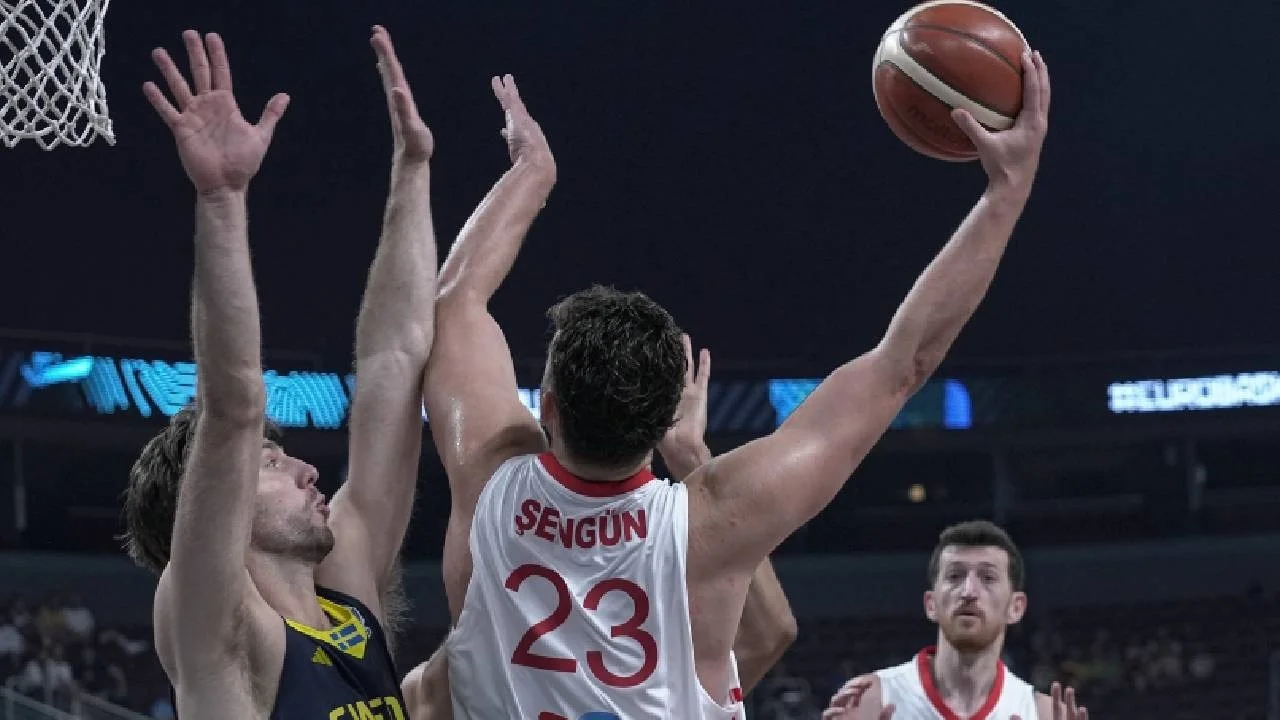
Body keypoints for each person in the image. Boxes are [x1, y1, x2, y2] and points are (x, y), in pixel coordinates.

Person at [426, 48, 1052, 718]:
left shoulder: (490, 479)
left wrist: (531, 173)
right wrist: (1006, 191)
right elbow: (904, 365)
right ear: (666, 419)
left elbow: (456, 301)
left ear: (546, 407)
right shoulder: (713, 520)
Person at [122, 26, 437, 719]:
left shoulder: (347, 599)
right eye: (271, 463)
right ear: (211, 501)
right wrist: (222, 200)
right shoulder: (221, 632)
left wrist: (413, 172)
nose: (307, 470)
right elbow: (233, 409)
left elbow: (393, 362)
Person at [402, 335, 799, 718]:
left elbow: (459, 307)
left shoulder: (444, 681)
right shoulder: (680, 533)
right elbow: (768, 635)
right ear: (657, 425)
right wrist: (691, 456)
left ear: (549, 408)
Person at [819, 521, 1088, 720]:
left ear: (1015, 607)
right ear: (931, 604)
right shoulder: (870, 699)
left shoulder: (1043, 714)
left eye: (988, 578)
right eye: (955, 576)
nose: (969, 591)